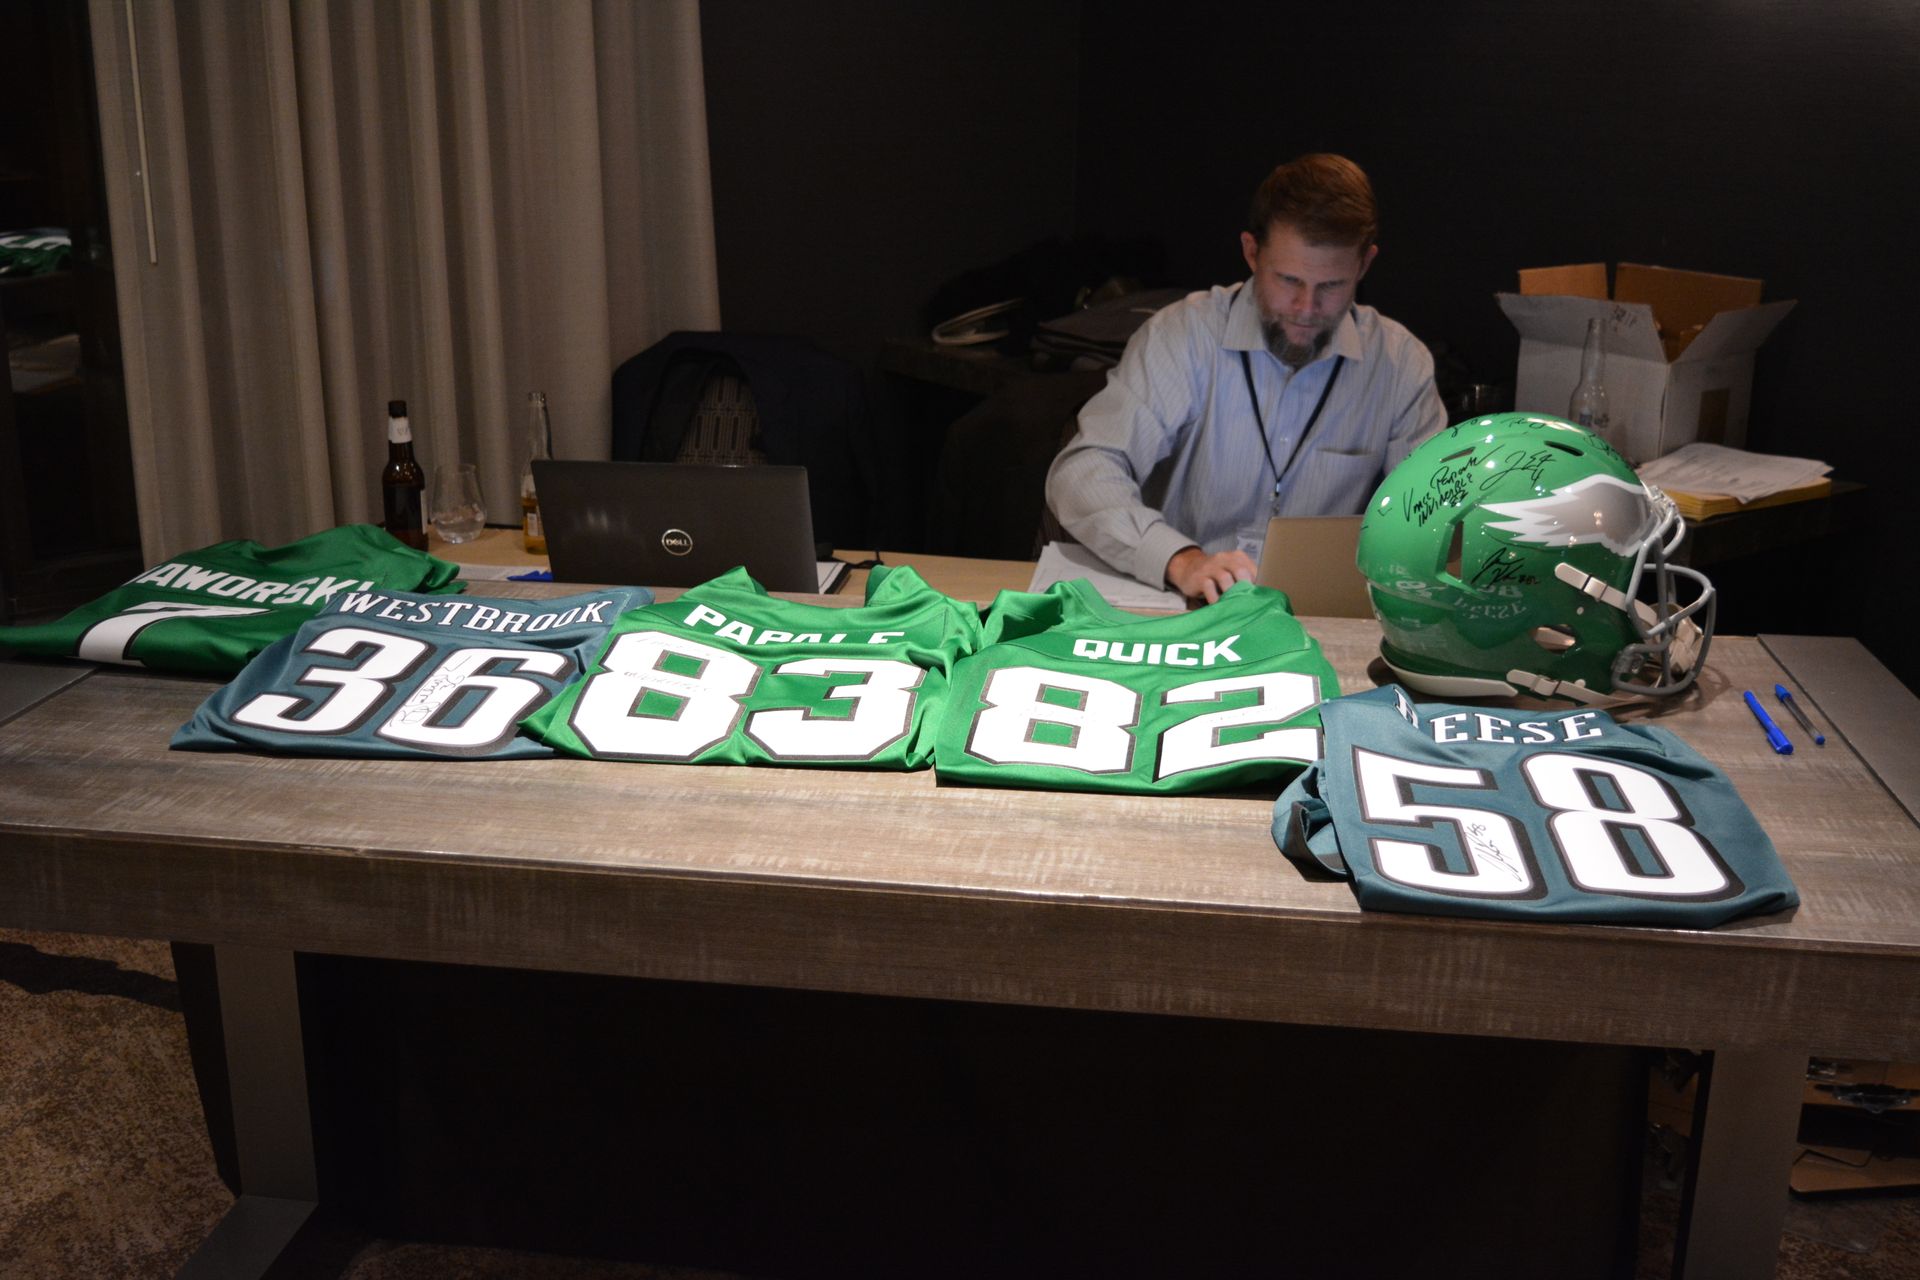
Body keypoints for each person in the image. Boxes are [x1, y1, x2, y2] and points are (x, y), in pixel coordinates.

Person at [1045, 153, 1447, 602]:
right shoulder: (1183, 336)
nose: (1306, 308)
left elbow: (1431, 521)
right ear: (1252, 252)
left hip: (1320, 614)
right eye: (1289, 280)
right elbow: (1083, 470)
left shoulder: (1400, 364)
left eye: (1332, 286)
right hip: (1183, 602)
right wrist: (1181, 559)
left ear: (1364, 265)